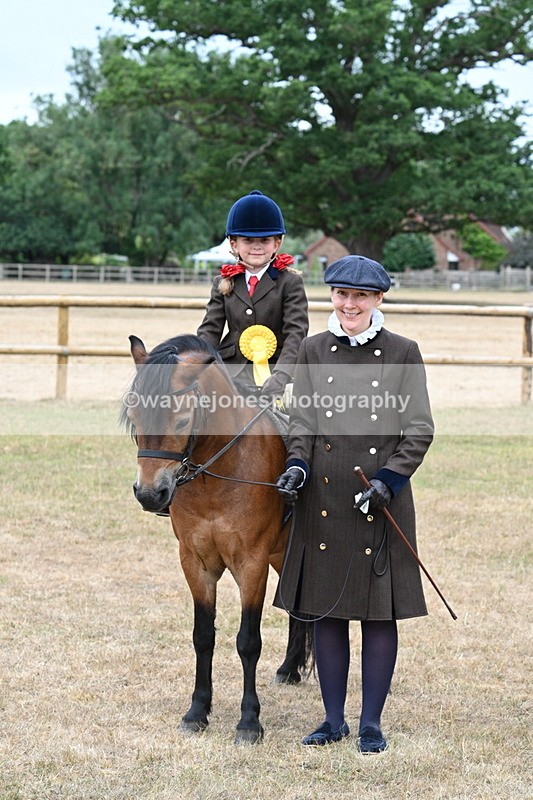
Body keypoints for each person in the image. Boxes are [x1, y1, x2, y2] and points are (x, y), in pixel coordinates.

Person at [273, 255, 434, 753]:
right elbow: (301, 420)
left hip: (378, 501)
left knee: (378, 616)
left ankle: (371, 724)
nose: (350, 304)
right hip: (321, 500)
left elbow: (419, 429)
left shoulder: (404, 351)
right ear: (333, 297)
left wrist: (388, 480)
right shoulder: (313, 350)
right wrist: (297, 465)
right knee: (326, 612)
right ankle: (333, 719)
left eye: (360, 296)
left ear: (378, 299)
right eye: (342, 295)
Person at [197, 190, 309, 395]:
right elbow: (210, 330)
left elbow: (296, 332)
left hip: (275, 372)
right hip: (230, 372)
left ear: (277, 243)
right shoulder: (222, 282)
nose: (256, 247)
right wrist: (198, 365)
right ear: (234, 244)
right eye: (248, 240)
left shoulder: (290, 282)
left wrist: (282, 374)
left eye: (265, 240)